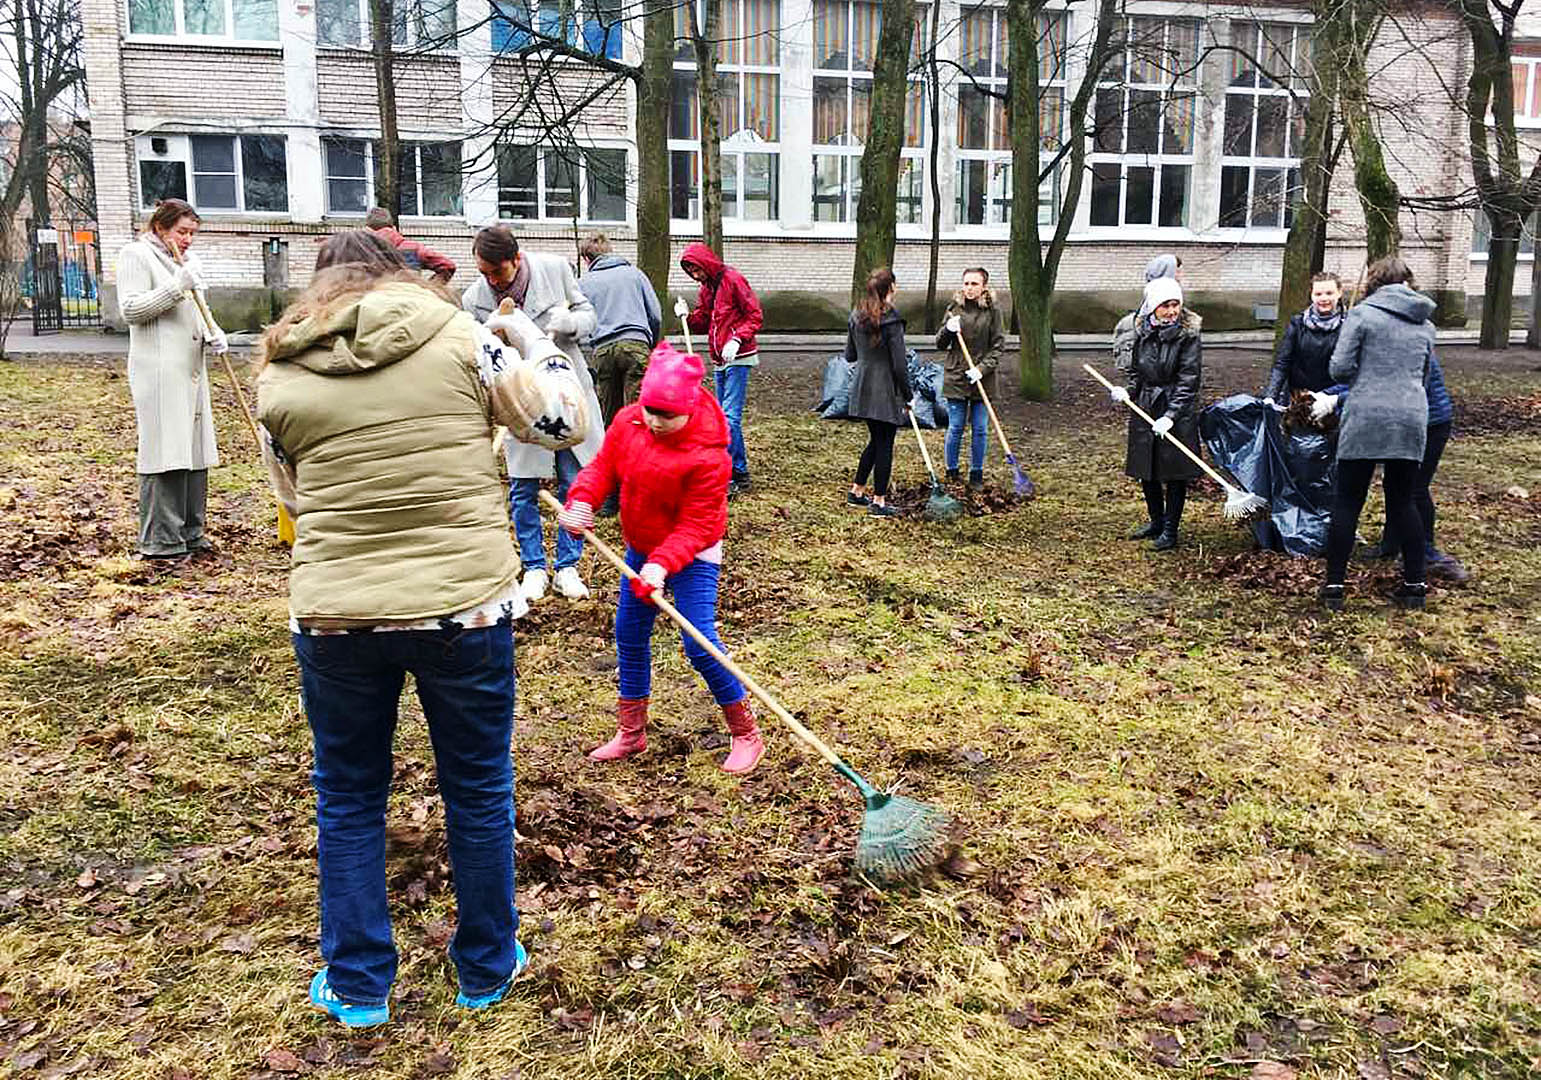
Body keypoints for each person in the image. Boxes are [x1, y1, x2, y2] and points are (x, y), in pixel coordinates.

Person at [255, 229, 589, 1027]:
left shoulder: (279, 372)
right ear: (397, 275)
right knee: (476, 788)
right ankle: (485, 963)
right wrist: (534, 340)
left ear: (320, 287)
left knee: (347, 796)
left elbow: (293, 498)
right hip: (463, 608)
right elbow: (561, 423)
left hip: (337, 615)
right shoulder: (467, 340)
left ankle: (359, 982)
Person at [557, 341, 765, 775]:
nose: (654, 421)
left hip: (694, 551)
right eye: (649, 409)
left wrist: (660, 565)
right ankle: (631, 733)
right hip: (643, 544)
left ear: (688, 409)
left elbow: (697, 525)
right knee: (629, 634)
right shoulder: (630, 421)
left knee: (699, 642)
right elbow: (602, 468)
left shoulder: (710, 455)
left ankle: (745, 732)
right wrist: (582, 500)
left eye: (665, 415)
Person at [464, 226, 603, 602]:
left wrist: (570, 324)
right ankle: (535, 567)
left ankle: (568, 567)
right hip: (520, 402)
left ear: (516, 259)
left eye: (498, 272)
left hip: (566, 393)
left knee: (573, 481)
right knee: (524, 487)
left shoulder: (555, 270)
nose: (491, 281)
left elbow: (589, 314)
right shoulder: (474, 299)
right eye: (484, 273)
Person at [1317, 255, 1435, 611]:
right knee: (1403, 501)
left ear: (1375, 282)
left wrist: (1363, 375)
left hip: (1366, 414)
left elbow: (1338, 368)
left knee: (1348, 500)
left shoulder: (1362, 315)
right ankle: (1415, 585)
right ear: (1407, 283)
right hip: (1411, 415)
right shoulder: (1426, 324)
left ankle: (1335, 587)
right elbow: (1425, 376)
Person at [117, 198, 230, 563]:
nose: (188, 239)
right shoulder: (137, 255)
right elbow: (131, 310)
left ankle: (191, 532)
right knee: (166, 449)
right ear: (160, 228)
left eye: (193, 233)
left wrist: (214, 331)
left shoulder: (187, 262)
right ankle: (162, 540)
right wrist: (176, 286)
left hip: (190, 368)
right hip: (159, 370)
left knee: (195, 449)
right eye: (182, 232)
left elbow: (197, 307)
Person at [1108, 276, 1202, 551]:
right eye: (1165, 305)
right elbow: (1137, 371)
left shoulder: (1189, 337)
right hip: (1146, 406)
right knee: (1146, 468)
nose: (1172, 311)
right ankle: (1156, 522)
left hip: (1176, 410)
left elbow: (1189, 380)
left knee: (1174, 473)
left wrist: (1171, 415)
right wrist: (1129, 391)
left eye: (1176, 304)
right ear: (1153, 308)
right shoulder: (1143, 332)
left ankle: (1171, 530)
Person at [1360, 348, 1469, 581]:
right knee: (1393, 484)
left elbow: (1387, 384)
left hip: (1431, 422)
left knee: (1415, 488)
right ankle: (1390, 544)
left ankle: (1426, 550)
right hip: (1405, 421)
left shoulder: (1412, 342)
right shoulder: (1391, 337)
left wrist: (1335, 398)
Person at [680, 243, 763, 497]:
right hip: (720, 359)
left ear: (706, 263)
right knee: (722, 418)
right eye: (691, 272)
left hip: (739, 356)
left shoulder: (733, 280)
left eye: (697, 270)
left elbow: (755, 315)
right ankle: (736, 471)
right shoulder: (707, 289)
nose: (696, 276)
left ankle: (735, 473)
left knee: (729, 417)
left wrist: (737, 338)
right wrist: (687, 317)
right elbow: (704, 320)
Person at [844, 268, 912, 518]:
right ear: (891, 288)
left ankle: (857, 491)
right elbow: (899, 364)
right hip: (885, 390)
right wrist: (909, 395)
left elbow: (850, 355)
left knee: (876, 439)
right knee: (885, 443)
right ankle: (879, 502)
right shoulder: (892, 318)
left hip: (862, 386)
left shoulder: (856, 314)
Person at [580, 233, 661, 429]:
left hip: (602, 350)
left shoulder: (583, 282)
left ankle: (613, 454)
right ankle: (640, 455)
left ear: (586, 258)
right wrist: (651, 343)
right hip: (635, 344)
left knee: (609, 414)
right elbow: (655, 314)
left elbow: (582, 322)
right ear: (610, 251)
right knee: (639, 412)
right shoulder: (635, 274)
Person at [935, 267, 1004, 489]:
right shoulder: (953, 309)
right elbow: (939, 344)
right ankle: (952, 472)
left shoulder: (993, 312)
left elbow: (998, 347)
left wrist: (982, 369)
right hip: (957, 376)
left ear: (984, 286)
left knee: (981, 428)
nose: (969, 288)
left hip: (983, 379)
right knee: (955, 427)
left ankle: (976, 474)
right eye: (966, 283)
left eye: (974, 284)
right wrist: (947, 328)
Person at [1264, 271, 1347, 406]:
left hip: (1333, 400)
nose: (1324, 298)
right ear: (1312, 295)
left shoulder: (1349, 325)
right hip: (1298, 399)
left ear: (1339, 293)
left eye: (1329, 293)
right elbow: (1282, 363)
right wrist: (1270, 396)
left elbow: (1353, 370)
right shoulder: (1297, 323)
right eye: (1318, 294)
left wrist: (1327, 396)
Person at [1113, 254, 1183, 377]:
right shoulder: (1142, 321)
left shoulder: (1184, 319)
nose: (1171, 311)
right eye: (1177, 271)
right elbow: (1132, 367)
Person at [364, 207, 456, 283]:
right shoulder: (414, 248)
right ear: (394, 228)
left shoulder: (362, 250)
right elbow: (448, 266)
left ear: (368, 229)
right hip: (412, 301)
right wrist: (429, 288)